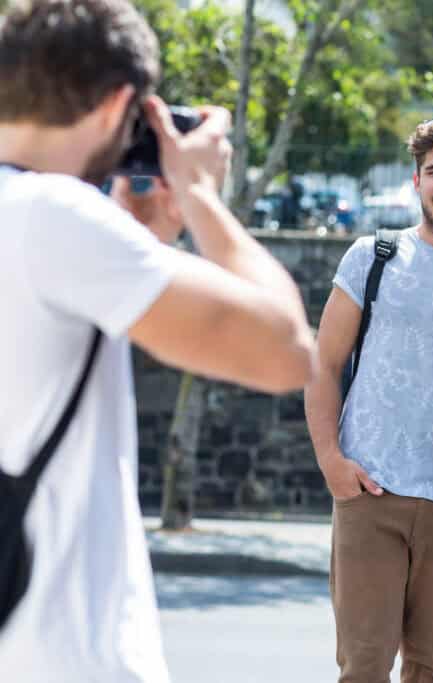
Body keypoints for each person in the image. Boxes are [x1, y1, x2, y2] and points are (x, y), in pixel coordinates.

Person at [0, 1, 316, 681]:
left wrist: (139, 239)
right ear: (119, 107)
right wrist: (199, 193)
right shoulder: (52, 216)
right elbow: (286, 350)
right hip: (62, 656)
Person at [304, 116, 433, 682]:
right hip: (370, 491)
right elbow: (322, 363)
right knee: (364, 667)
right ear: (416, 182)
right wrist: (331, 464)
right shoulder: (373, 257)